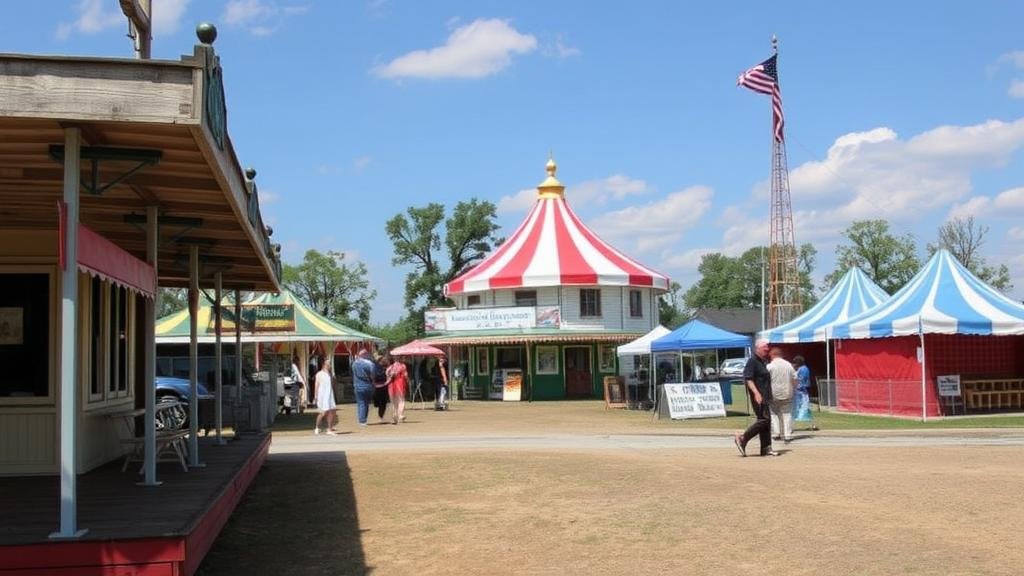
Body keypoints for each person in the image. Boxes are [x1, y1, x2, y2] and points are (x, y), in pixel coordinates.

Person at [734, 339, 776, 457]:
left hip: (765, 396)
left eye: (767, 348)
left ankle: (766, 448)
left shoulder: (763, 362)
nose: (767, 350)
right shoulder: (752, 361)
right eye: (765, 348)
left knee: (767, 421)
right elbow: (748, 379)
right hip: (758, 397)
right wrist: (756, 393)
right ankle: (743, 438)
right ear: (757, 349)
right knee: (764, 419)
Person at [767, 347, 797, 444]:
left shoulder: (770, 366)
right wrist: (794, 389)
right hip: (787, 393)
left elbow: (766, 380)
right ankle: (787, 434)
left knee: (773, 413)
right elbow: (795, 378)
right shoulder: (789, 365)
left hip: (773, 393)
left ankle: (776, 433)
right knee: (787, 414)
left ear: (773, 355)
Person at [351, 349, 376, 427]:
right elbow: (373, 375)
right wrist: (373, 382)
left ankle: (362, 420)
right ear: (366, 355)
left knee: (360, 403)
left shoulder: (354, 364)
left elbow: (353, 373)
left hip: (357, 385)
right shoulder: (370, 364)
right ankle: (363, 420)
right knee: (366, 403)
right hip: (368, 385)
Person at [792, 355, 818, 431]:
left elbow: (800, 381)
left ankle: (791, 426)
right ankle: (812, 425)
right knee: (804, 408)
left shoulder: (803, 369)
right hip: (800, 392)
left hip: (800, 393)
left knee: (799, 408)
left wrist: (795, 387)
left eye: (795, 363)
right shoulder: (803, 369)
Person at [313, 358, 336, 435]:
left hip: (330, 394)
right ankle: (317, 427)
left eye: (330, 364)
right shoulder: (319, 374)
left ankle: (329, 429)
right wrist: (315, 396)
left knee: (331, 411)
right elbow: (317, 385)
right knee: (323, 412)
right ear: (324, 365)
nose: (329, 366)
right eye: (328, 364)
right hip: (322, 395)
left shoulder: (330, 374)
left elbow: (332, 384)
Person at [386, 356, 408, 424]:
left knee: (393, 401)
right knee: (401, 400)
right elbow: (406, 375)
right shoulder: (403, 366)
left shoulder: (390, 367)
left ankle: (395, 414)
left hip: (391, 385)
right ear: (400, 358)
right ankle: (400, 414)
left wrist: (390, 376)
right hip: (400, 384)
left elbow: (386, 373)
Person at [371, 353, 390, 424]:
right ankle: (380, 415)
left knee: (383, 403)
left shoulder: (384, 367)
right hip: (378, 386)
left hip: (383, 386)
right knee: (380, 403)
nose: (384, 360)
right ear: (379, 361)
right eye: (382, 360)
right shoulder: (376, 367)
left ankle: (381, 416)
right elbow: (373, 376)